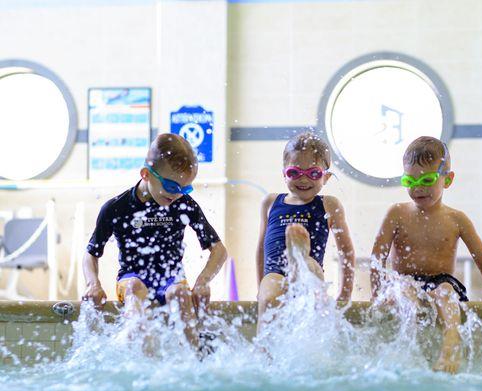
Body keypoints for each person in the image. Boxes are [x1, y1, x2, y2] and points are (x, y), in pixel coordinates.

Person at [370, 136, 482, 374]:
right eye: (409, 180)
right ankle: (409, 355)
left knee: (445, 291)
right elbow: (376, 259)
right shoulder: (397, 213)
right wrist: (377, 296)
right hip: (403, 281)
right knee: (405, 291)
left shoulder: (457, 219)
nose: (418, 188)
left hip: (441, 281)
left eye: (427, 180)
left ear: (448, 179)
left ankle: (450, 344)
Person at [82, 133, 227, 352]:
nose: (178, 194)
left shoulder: (183, 205)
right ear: (146, 174)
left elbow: (219, 250)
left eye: (185, 188)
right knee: (134, 287)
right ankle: (138, 358)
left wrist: (203, 281)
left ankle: (195, 356)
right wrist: (93, 285)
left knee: (180, 293)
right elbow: (91, 253)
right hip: (132, 278)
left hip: (171, 279)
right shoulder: (116, 208)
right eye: (171, 186)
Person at [256, 132, 355, 333]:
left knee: (309, 267)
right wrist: (260, 288)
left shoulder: (329, 204)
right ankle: (264, 358)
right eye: (295, 173)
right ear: (284, 173)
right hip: (275, 271)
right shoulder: (271, 202)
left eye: (314, 173)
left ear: (325, 177)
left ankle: (298, 258)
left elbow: (346, 251)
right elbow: (261, 249)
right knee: (268, 299)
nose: (304, 179)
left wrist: (345, 295)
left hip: (310, 273)